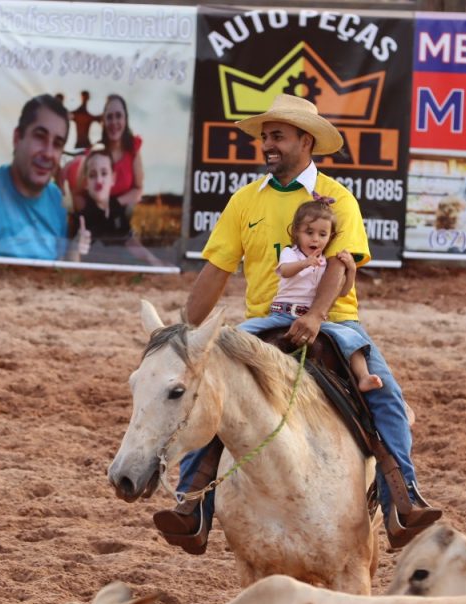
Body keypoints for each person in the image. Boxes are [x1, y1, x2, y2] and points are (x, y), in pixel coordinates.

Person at [152, 93, 441, 554]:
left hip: (333, 323)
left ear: (306, 141)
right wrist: (184, 334)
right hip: (263, 324)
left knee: (384, 394)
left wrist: (316, 315)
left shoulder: (337, 198)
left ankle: (401, 500)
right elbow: (216, 271)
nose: (267, 144)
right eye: (265, 136)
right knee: (211, 390)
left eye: (278, 136)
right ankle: (192, 505)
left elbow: (343, 266)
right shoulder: (245, 201)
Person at [0, 94, 89, 261]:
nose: (48, 153)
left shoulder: (57, 201)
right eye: (40, 136)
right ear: (17, 138)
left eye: (57, 144)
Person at [275, 198, 382, 393]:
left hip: (313, 319)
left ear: (330, 237)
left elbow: (342, 292)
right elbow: (285, 271)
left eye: (322, 234)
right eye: (309, 233)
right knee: (243, 332)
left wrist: (351, 270)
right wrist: (305, 263)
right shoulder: (291, 253)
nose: (315, 239)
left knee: (352, 338)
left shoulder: (325, 263)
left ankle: (364, 376)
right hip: (281, 314)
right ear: (296, 232)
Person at [70, 147, 167, 267]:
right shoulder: (82, 218)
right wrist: (76, 248)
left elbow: (129, 241)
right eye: (92, 175)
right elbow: (72, 262)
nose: (99, 180)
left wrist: (154, 261)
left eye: (104, 173)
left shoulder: (116, 209)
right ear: (86, 183)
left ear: (113, 179)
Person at [65, 94, 145, 213]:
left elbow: (138, 189)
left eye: (118, 116)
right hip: (95, 218)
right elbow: (77, 193)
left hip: (120, 215)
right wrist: (92, 214)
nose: (114, 122)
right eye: (109, 117)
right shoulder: (94, 152)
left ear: (125, 119)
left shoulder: (132, 148)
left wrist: (115, 204)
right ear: (103, 121)